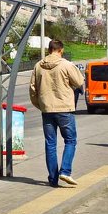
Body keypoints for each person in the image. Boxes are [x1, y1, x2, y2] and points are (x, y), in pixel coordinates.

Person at [29, 40, 85, 187]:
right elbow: (79, 81)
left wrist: (41, 105)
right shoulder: (66, 64)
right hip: (64, 109)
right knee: (70, 140)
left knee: (50, 144)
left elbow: (33, 90)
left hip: (47, 110)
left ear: (49, 50)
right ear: (61, 50)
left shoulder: (38, 66)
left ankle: (53, 179)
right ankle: (65, 171)